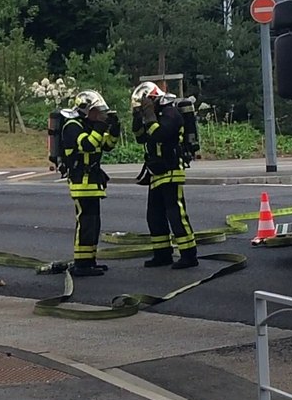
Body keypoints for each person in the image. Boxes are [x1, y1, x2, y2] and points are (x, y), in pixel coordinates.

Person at [132, 81, 198, 269]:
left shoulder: (171, 113)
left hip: (171, 170)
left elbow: (160, 134)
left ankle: (189, 254)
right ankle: (162, 254)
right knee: (154, 215)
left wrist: (150, 117)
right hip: (156, 171)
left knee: (176, 213)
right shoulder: (155, 114)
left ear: (153, 98)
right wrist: (138, 116)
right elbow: (140, 137)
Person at [62, 90, 120, 277]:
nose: (100, 114)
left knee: (94, 223)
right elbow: (86, 145)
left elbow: (107, 146)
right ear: (86, 109)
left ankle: (90, 260)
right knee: (85, 222)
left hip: (93, 182)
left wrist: (113, 129)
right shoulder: (72, 125)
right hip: (81, 182)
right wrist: (100, 126)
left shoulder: (90, 124)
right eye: (97, 111)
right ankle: (81, 263)